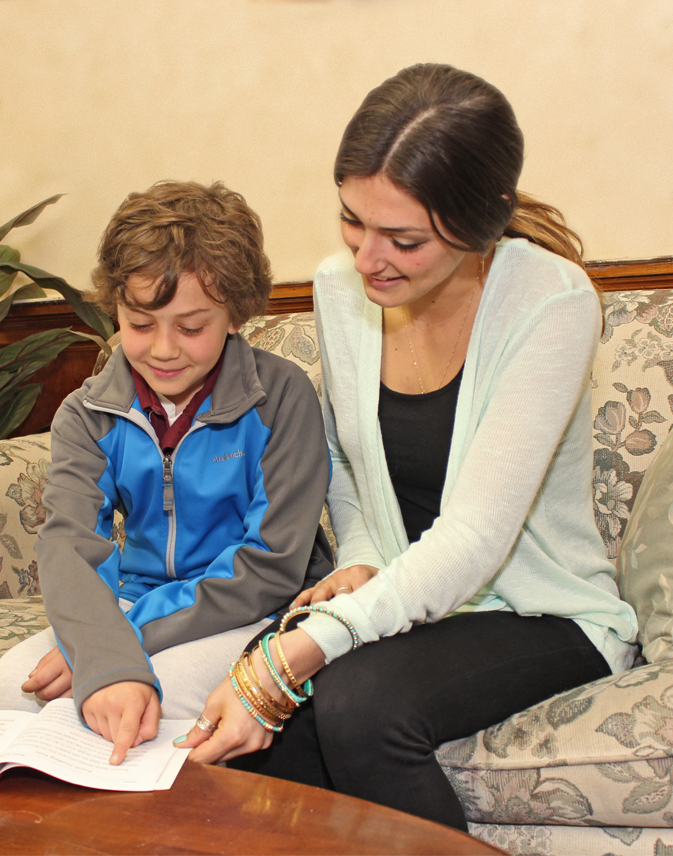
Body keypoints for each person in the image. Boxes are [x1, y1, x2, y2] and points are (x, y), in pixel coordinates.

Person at [177, 64, 639, 831]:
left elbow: (476, 536)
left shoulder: (550, 301)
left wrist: (310, 648)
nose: (366, 259)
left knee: (356, 704)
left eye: (404, 239)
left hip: (539, 612)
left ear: (481, 221)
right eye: (352, 221)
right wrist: (358, 559)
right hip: (407, 597)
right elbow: (349, 468)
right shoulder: (339, 286)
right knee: (263, 735)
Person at [0, 180, 332, 765]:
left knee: (154, 694)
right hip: (138, 601)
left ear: (236, 312)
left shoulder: (280, 397)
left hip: (257, 613)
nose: (164, 349)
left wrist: (109, 651)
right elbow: (70, 546)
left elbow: (270, 566)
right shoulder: (88, 412)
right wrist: (101, 646)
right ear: (115, 308)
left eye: (191, 327)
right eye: (140, 324)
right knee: (9, 686)